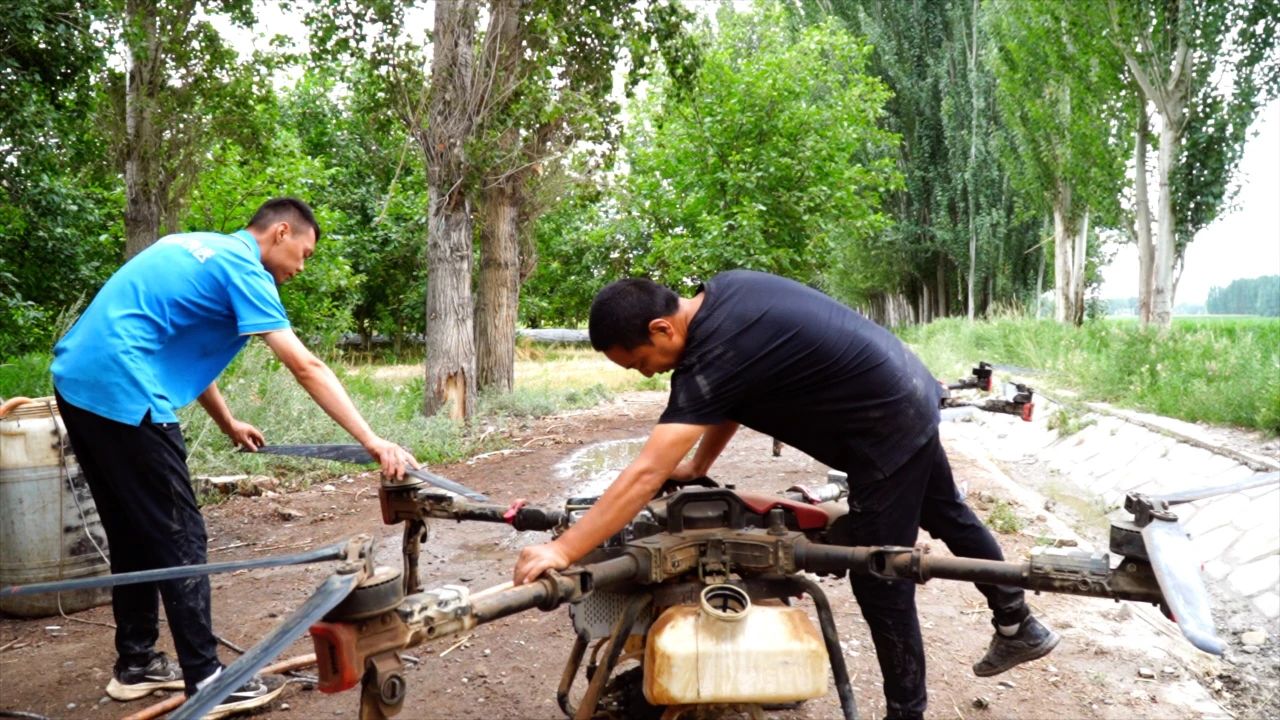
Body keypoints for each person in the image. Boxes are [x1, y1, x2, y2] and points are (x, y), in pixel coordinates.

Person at [513, 270, 1059, 720]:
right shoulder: (724, 298)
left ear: (661, 328)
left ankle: (906, 714)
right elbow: (734, 396)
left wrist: (561, 552)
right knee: (948, 513)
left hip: (883, 426)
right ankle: (1018, 623)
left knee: (881, 574)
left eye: (639, 362)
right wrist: (700, 464)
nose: (646, 374)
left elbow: (643, 474)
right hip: (905, 390)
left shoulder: (716, 352)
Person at [51, 198, 417, 717]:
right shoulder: (246, 268)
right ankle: (207, 681)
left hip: (77, 382)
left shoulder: (191, 245)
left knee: (134, 529)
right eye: (304, 253)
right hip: (125, 387)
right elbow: (305, 365)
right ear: (280, 233)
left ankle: (135, 666)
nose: (301, 266)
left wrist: (227, 421)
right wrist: (373, 441)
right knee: (180, 535)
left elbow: (177, 342)